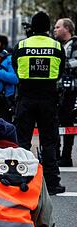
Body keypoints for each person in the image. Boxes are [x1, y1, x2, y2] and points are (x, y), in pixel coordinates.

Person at [12, 11, 66, 195]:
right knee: (49, 142)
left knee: (22, 142)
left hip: (26, 98)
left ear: (32, 27)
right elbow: (60, 71)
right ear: (48, 27)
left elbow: (16, 70)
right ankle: (51, 183)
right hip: (48, 99)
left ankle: (19, 180)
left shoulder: (21, 45)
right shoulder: (57, 46)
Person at [54, 18, 77, 167]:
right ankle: (60, 155)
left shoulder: (74, 44)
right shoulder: (62, 45)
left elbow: (74, 63)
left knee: (68, 123)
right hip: (62, 91)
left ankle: (66, 156)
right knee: (59, 122)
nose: (55, 29)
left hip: (72, 91)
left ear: (67, 28)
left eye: (57, 27)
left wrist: (58, 62)